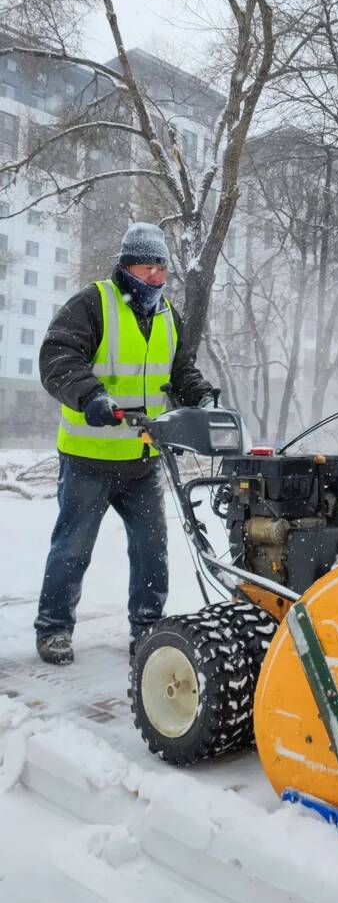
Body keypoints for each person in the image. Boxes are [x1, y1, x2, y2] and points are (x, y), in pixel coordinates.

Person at [35, 221, 218, 665]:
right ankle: (54, 628)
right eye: (148, 265)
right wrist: (91, 396)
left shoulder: (167, 316)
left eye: (163, 267)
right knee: (73, 548)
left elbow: (181, 373)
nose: (158, 275)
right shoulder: (92, 303)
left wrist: (203, 396)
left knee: (152, 549)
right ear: (126, 266)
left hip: (143, 457)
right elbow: (58, 357)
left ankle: (148, 628)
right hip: (89, 457)